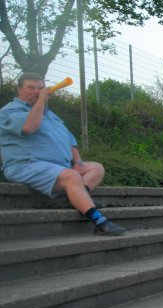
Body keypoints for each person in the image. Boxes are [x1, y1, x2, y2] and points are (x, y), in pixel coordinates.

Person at [0, 72, 126, 235]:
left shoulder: (51, 115)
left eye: (40, 88)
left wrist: (78, 162)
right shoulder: (9, 111)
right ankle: (99, 221)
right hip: (25, 166)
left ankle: (78, 198)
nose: (37, 92)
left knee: (96, 168)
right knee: (71, 176)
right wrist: (42, 101)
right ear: (19, 90)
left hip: (59, 166)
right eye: (31, 88)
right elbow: (29, 128)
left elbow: (70, 140)